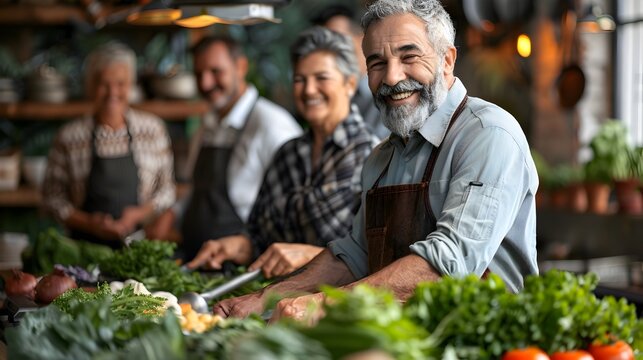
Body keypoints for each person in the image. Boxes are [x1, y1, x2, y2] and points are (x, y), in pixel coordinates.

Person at [213, 0, 539, 321]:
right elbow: (353, 256)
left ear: (447, 60)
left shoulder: (488, 134)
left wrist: (319, 305)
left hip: (488, 342)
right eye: (377, 63)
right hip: (404, 343)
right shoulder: (382, 157)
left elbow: (448, 264)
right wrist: (264, 298)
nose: (393, 77)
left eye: (409, 56)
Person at [186, 27, 376, 279]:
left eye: (322, 78)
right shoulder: (288, 153)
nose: (309, 90)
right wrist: (237, 246)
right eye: (300, 79)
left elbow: (375, 256)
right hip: (272, 298)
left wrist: (310, 255)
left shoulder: (372, 156)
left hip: (333, 305)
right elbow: (259, 236)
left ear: (349, 83)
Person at [147, 35, 302, 260]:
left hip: (241, 268)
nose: (206, 83)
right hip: (196, 260)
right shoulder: (206, 125)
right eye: (199, 74)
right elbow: (195, 189)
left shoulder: (272, 124)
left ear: (241, 67)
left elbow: (293, 208)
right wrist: (173, 212)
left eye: (215, 72)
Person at [42, 42, 176, 247]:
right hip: (83, 251)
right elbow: (52, 199)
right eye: (104, 83)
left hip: (138, 247)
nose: (112, 92)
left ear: (131, 85)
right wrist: (89, 223)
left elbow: (167, 190)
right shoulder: (69, 137)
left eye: (121, 83)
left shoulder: (153, 129)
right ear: (90, 86)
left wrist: (138, 214)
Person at [312, 4, 389, 140]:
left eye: (337, 39)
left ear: (363, 37)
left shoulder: (389, 89)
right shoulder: (331, 95)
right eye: (322, 44)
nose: (329, 50)